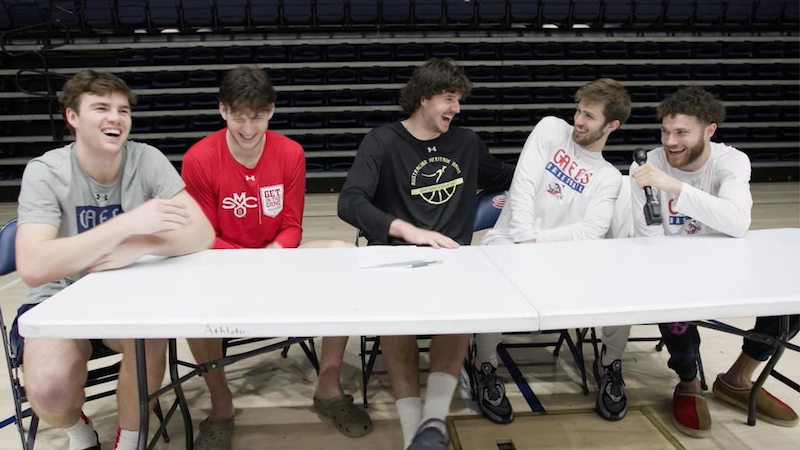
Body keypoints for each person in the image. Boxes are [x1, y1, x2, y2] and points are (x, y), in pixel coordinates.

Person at [13, 70, 215, 450]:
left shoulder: (147, 159)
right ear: (72, 116)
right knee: (50, 393)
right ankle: (79, 432)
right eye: (101, 108)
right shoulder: (45, 172)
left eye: (123, 110)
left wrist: (140, 244)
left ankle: (130, 440)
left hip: (125, 294)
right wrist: (126, 224)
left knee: (151, 339)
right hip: (57, 296)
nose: (116, 118)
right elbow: (35, 266)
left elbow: (201, 233)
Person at [181, 67, 371, 450]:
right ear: (222, 110)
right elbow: (202, 238)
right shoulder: (199, 158)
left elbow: (291, 224)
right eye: (238, 116)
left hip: (277, 257)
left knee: (344, 256)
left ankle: (328, 386)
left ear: (270, 111)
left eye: (257, 116)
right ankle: (221, 405)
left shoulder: (290, 152)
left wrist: (277, 253)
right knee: (190, 294)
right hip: (222, 264)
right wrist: (248, 262)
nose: (248, 128)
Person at [338, 58, 514, 450]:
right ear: (422, 99)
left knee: (460, 313)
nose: (456, 108)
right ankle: (410, 433)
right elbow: (349, 202)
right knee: (396, 321)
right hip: (393, 257)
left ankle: (432, 425)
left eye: (459, 100)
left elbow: (512, 177)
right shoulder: (382, 142)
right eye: (449, 99)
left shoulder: (467, 143)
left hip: (451, 259)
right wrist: (408, 230)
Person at [629, 86, 799, 437]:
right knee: (665, 298)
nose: (670, 141)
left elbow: (737, 222)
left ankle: (737, 378)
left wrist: (675, 188)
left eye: (681, 133)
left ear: (709, 131)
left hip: (725, 264)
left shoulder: (731, 161)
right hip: (672, 267)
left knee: (793, 293)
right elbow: (649, 239)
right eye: (664, 131)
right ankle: (688, 382)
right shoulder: (647, 163)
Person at [478, 78, 632, 424]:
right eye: (578, 111)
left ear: (612, 125)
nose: (579, 120)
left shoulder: (608, 177)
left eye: (589, 116)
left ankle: (609, 363)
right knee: (499, 275)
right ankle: (484, 364)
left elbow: (590, 231)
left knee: (621, 291)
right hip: (509, 241)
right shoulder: (551, 129)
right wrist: (524, 241)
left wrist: (537, 246)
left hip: (560, 258)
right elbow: (524, 182)